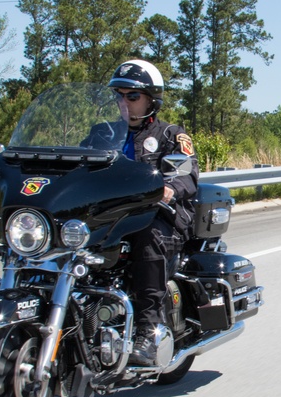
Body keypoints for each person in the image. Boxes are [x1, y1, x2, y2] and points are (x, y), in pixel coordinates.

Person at [84, 59, 199, 365]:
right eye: (118, 96)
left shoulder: (171, 134)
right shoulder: (101, 134)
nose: (124, 103)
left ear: (151, 98)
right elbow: (78, 167)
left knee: (145, 237)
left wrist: (168, 186)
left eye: (131, 96)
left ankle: (150, 328)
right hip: (109, 218)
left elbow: (187, 174)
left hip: (161, 217)